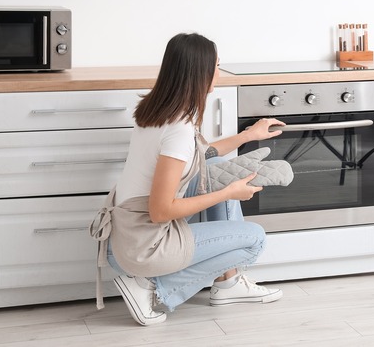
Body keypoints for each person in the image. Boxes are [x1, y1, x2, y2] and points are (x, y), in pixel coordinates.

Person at [90, 32, 285, 326]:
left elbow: (200, 157)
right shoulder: (179, 128)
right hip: (144, 250)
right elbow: (161, 211)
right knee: (253, 239)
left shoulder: (158, 111)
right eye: (216, 66)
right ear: (201, 73)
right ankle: (151, 288)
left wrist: (248, 136)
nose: (219, 72)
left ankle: (228, 283)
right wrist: (229, 193)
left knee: (217, 166)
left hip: (126, 238)